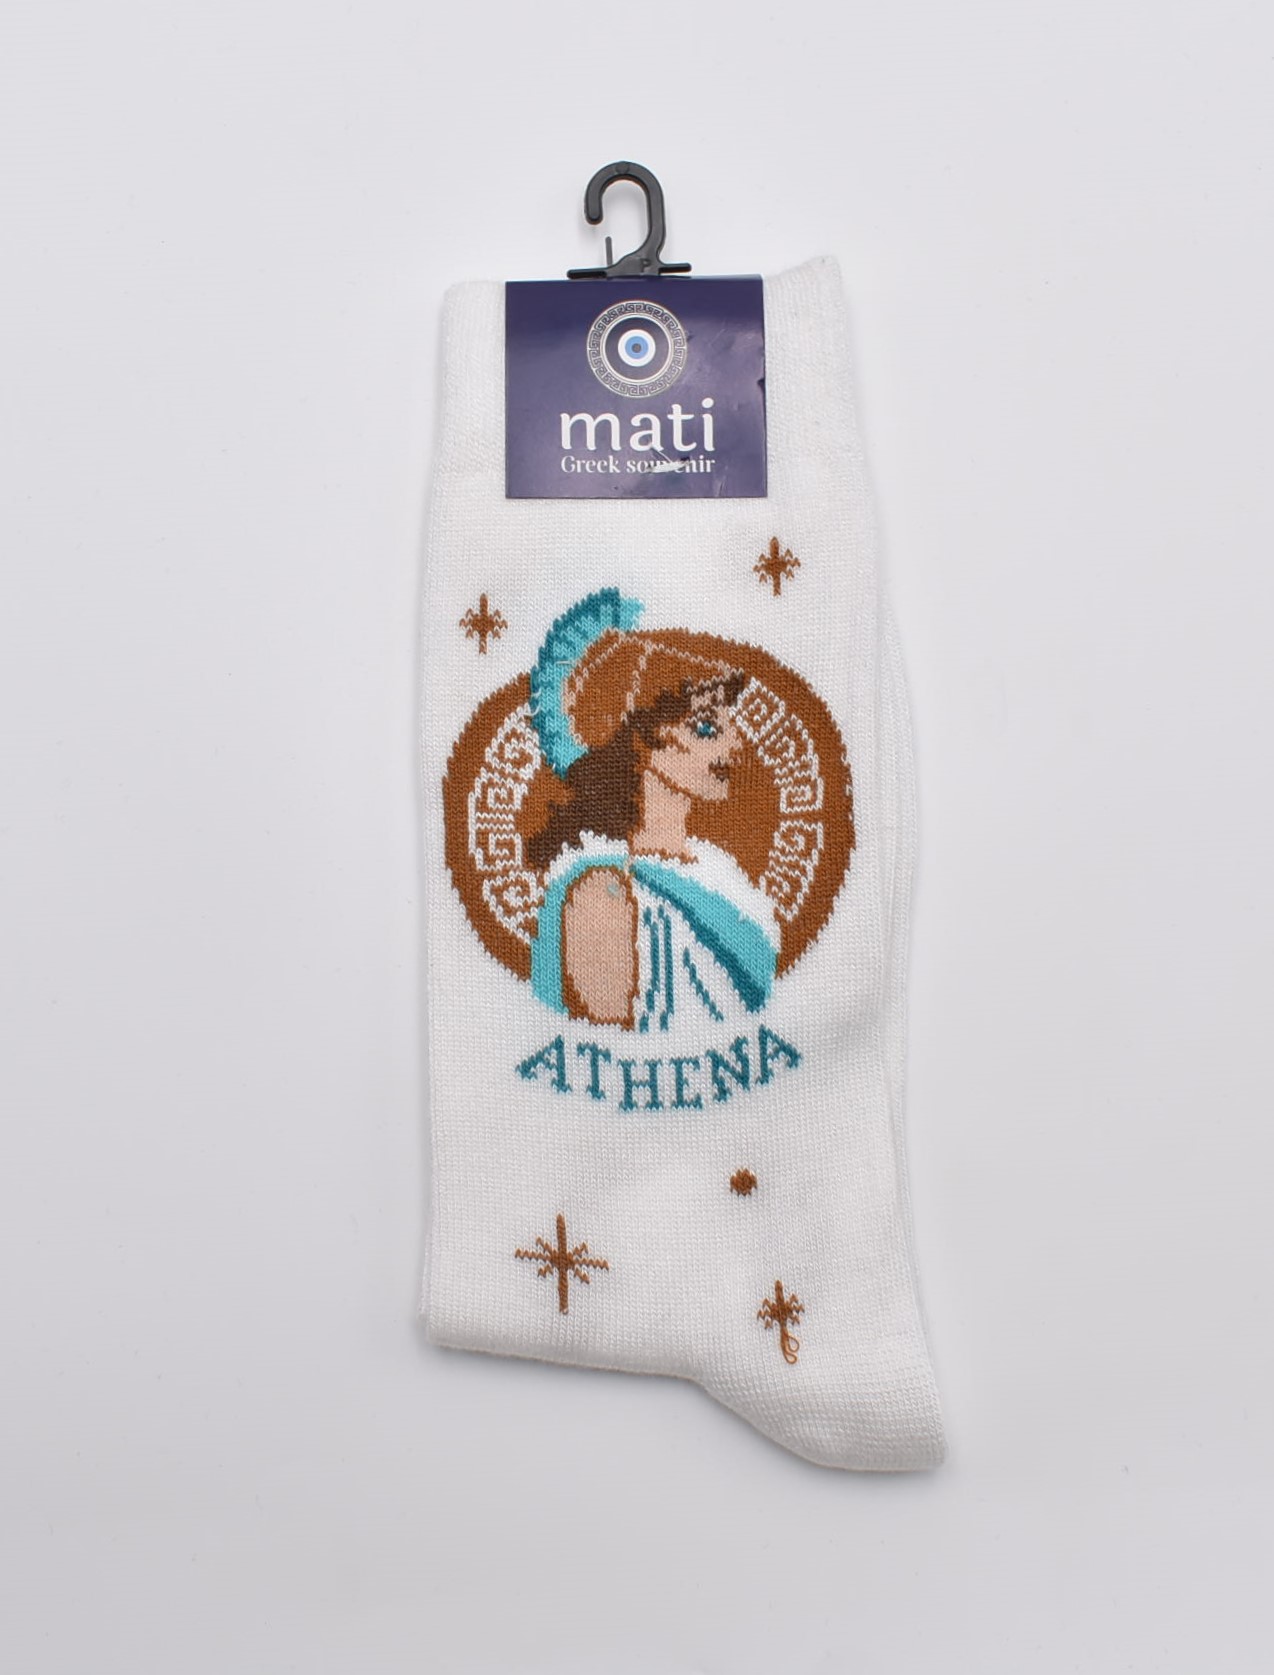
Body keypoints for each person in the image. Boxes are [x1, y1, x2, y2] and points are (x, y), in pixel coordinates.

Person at [527, 591, 780, 1031]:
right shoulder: (603, 891)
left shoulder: (718, 873)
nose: (735, 744)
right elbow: (606, 1038)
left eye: (728, 725)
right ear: (640, 740)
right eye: (706, 728)